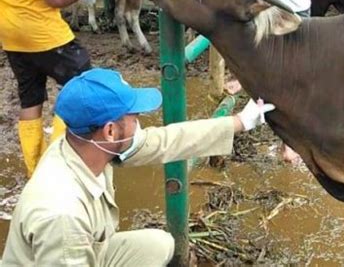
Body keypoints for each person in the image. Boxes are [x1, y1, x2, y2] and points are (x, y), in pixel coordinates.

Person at [2, 68, 275, 266]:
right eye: (134, 116)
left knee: (159, 245)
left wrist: (240, 122)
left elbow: (165, 141)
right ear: (110, 131)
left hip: (87, 253)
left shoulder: (82, 146)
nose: (140, 122)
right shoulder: (63, 215)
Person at [204, 0, 315, 163]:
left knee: (293, 79)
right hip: (258, 4)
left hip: (291, 6)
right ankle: (246, 85)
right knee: (256, 61)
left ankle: (292, 142)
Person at [0, 0, 97, 177]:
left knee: (30, 99)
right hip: (44, 33)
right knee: (80, 84)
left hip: (10, 32)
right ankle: (59, 165)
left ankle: (35, 170)